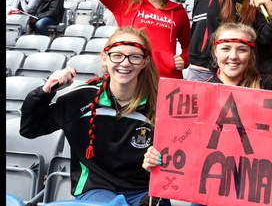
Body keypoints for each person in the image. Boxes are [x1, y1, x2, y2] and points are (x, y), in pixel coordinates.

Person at [20, 27, 169, 206]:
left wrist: (158, 160)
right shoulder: (79, 99)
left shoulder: (160, 104)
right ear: (105, 57)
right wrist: (45, 93)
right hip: (95, 189)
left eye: (135, 57)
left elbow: (176, 156)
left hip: (144, 188)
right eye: (117, 55)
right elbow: (30, 129)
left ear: (144, 62)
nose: (125, 63)